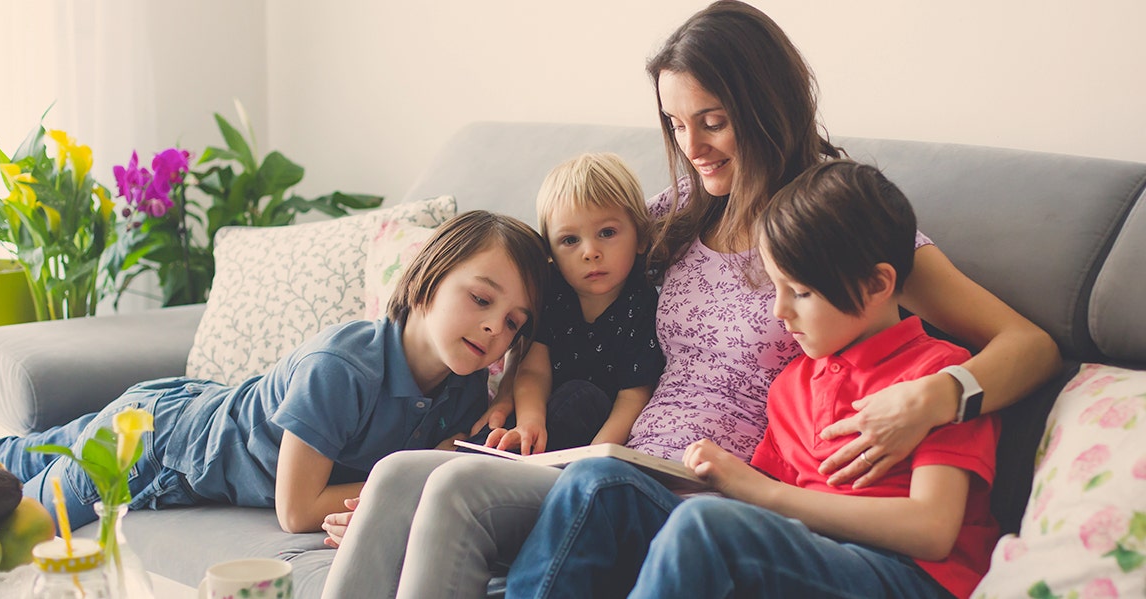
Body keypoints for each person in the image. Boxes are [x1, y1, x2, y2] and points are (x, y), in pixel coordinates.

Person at [319, 2, 1059, 597]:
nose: (693, 144)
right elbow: (559, 271)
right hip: (623, 457)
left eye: (713, 120)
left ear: (766, 107)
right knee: (403, 478)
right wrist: (519, 388)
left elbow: (1030, 344)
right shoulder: (676, 211)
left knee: (483, 493)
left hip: (699, 483)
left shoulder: (834, 234)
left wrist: (935, 397)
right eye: (677, 123)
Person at [506, 159, 1001, 599]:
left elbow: (934, 530)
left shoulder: (936, 374)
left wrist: (760, 493)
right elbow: (765, 519)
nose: (780, 312)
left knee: (707, 525)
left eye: (800, 293)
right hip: (803, 555)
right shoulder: (792, 386)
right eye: (775, 289)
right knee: (599, 481)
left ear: (878, 284)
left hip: (909, 576)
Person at [0, 210, 550, 532]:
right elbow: (298, 510)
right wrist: (406, 481)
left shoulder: (465, 387)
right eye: (480, 299)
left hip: (204, 405)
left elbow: (525, 385)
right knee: (14, 519)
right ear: (428, 278)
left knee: (14, 450)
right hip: (152, 445)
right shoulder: (342, 368)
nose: (493, 329)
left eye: (512, 322)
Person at [477, 152, 665, 455]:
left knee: (580, 395)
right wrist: (529, 422)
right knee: (496, 426)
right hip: (536, 406)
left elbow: (634, 395)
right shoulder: (553, 290)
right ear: (550, 252)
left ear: (640, 238)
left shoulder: (644, 301)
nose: (590, 252)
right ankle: (467, 458)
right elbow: (534, 371)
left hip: (597, 425)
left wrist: (594, 456)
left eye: (607, 233)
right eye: (570, 240)